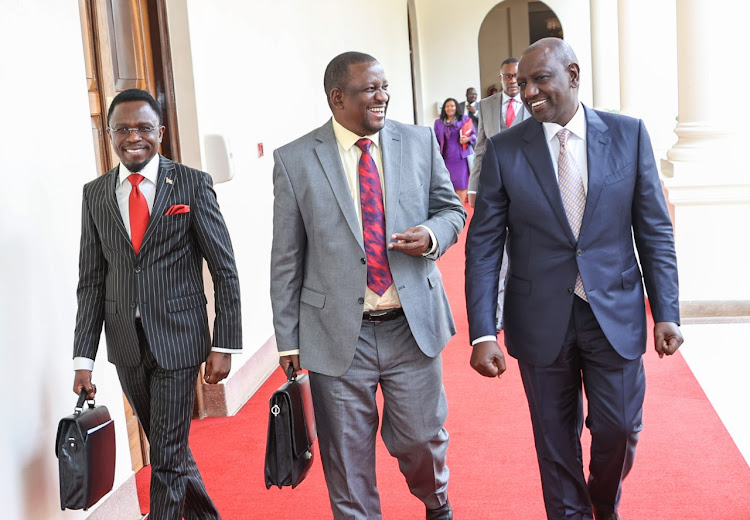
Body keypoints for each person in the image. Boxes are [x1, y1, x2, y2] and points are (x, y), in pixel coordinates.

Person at [465, 38, 683, 520]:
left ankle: (602, 505)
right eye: (522, 83)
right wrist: (483, 330)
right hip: (539, 318)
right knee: (554, 440)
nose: (529, 92)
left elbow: (654, 230)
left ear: (574, 74)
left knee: (621, 429)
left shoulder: (629, 135)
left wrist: (666, 310)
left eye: (540, 79)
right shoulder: (504, 151)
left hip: (614, 312)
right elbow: (483, 247)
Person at [271, 51, 465, 520]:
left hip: (410, 325)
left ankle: (436, 505)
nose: (383, 97)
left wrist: (433, 235)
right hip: (337, 334)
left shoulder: (418, 142)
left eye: (384, 87)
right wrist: (287, 339)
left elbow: (451, 210)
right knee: (346, 459)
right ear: (337, 98)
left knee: (422, 439)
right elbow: (286, 257)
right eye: (370, 90)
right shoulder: (296, 159)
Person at [72, 89, 242, 520]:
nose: (134, 137)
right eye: (123, 128)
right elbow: (91, 282)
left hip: (180, 340)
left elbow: (224, 269)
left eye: (144, 128)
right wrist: (83, 359)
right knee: (170, 446)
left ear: (160, 133)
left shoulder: (190, 183)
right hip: (126, 344)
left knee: (164, 457)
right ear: (108, 133)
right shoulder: (95, 195)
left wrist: (224, 343)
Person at [467, 56, 532, 332]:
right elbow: (480, 149)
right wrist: (473, 186)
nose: (512, 81)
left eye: (516, 76)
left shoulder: (533, 101)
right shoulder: (486, 106)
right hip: (494, 190)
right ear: (501, 78)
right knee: (496, 253)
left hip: (528, 190)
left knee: (526, 252)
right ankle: (496, 314)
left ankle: (524, 308)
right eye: (507, 76)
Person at [434, 97, 475, 202]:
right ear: (444, 108)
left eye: (452, 106)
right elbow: (435, 140)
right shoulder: (438, 123)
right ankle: (452, 210)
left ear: (456, 107)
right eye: (447, 106)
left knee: (461, 185)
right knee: (448, 185)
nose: (449, 108)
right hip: (445, 159)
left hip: (461, 159)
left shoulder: (464, 119)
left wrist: (468, 139)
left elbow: (475, 135)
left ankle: (460, 211)